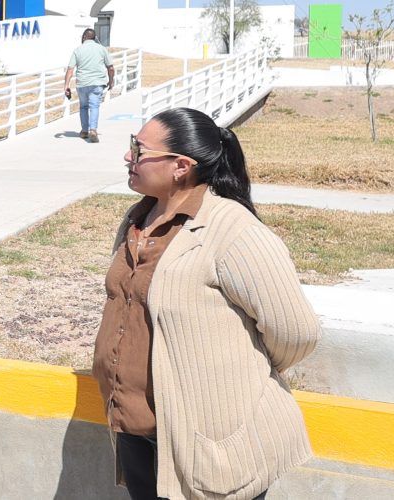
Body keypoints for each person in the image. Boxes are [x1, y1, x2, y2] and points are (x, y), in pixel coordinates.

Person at [98, 107, 320, 500]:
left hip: (210, 442)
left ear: (181, 167)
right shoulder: (137, 219)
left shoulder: (233, 230)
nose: (128, 156)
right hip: (136, 431)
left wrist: (236, 374)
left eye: (139, 149)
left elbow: (296, 332)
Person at [65, 28, 115, 143]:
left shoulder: (78, 50)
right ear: (95, 37)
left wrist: (66, 85)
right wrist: (111, 81)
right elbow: (111, 68)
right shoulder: (102, 49)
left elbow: (70, 69)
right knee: (94, 106)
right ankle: (93, 130)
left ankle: (84, 131)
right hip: (97, 83)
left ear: (84, 37)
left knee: (83, 107)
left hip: (82, 83)